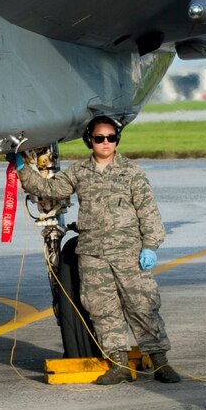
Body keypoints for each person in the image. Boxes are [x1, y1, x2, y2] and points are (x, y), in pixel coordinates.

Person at [12, 116, 174, 385]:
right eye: (99, 138)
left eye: (110, 138)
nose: (105, 143)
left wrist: (150, 246)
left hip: (128, 253)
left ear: (117, 140)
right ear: (90, 141)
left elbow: (148, 213)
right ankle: (118, 363)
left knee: (143, 306)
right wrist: (21, 167)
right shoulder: (79, 172)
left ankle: (160, 362)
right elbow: (49, 189)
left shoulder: (132, 173)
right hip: (92, 254)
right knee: (102, 310)